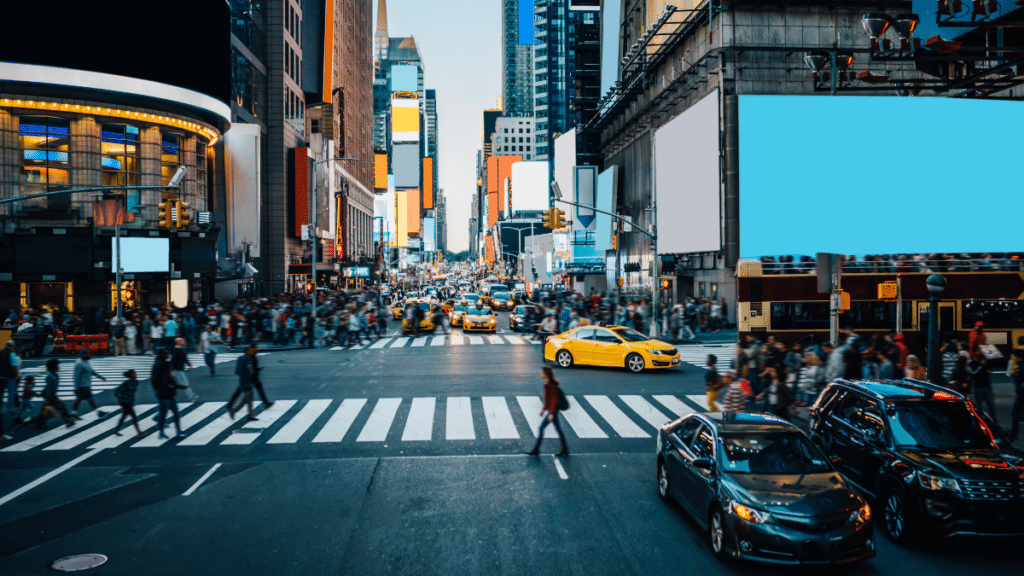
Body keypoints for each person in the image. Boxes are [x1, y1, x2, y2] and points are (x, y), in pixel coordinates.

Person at [526, 366, 569, 457]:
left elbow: (553, 400)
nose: (540, 373)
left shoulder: (551, 385)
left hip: (553, 410)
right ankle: (565, 449)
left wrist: (551, 414)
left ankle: (536, 450)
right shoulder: (548, 384)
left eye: (541, 372)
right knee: (558, 430)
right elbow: (548, 400)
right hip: (553, 410)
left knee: (541, 428)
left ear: (545, 374)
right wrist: (543, 410)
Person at [151, 350, 186, 439]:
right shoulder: (162, 370)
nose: (167, 354)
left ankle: (175, 431)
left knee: (172, 414)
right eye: (166, 353)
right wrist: (161, 391)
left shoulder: (165, 371)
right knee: (166, 414)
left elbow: (172, 384)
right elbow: (160, 383)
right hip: (165, 396)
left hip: (168, 396)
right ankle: (168, 431)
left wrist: (177, 388)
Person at [36, 358, 75, 428]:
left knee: (45, 409)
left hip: (50, 395)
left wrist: (42, 393)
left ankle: (40, 423)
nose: (59, 367)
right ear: (54, 367)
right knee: (61, 407)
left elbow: (47, 387)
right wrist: (47, 399)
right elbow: (48, 388)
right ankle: (68, 420)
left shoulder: (54, 375)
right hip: (51, 396)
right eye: (57, 366)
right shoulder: (51, 376)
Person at [71, 349, 106, 417]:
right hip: (83, 385)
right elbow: (76, 377)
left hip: (86, 384)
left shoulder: (86, 361)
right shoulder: (79, 363)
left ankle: (73, 414)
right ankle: (99, 413)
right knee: (90, 399)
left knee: (78, 399)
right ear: (83, 355)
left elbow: (91, 371)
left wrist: (100, 377)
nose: (89, 355)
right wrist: (76, 388)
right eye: (87, 354)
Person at [228, 345, 258, 421]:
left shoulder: (248, 359)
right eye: (250, 351)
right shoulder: (244, 360)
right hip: (245, 384)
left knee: (247, 400)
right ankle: (235, 411)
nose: (251, 352)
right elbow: (240, 373)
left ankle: (248, 414)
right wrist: (243, 384)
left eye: (252, 351)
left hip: (248, 382)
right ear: (245, 352)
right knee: (246, 400)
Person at [112, 369, 143, 437]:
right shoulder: (126, 383)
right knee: (133, 417)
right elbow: (117, 390)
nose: (135, 375)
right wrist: (119, 400)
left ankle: (116, 430)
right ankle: (139, 432)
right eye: (134, 374)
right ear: (130, 376)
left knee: (124, 417)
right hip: (124, 401)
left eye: (135, 373)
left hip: (130, 401)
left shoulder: (136, 382)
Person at [967, 353, 996, 423]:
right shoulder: (972, 363)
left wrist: (985, 366)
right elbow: (973, 374)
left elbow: (989, 371)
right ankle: (980, 421)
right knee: (979, 405)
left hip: (987, 385)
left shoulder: (985, 361)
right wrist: (981, 365)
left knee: (991, 403)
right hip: (978, 386)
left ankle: (993, 420)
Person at [170, 338, 199, 403]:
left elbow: (185, 358)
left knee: (182, 384)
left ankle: (192, 397)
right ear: (178, 342)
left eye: (183, 340)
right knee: (185, 383)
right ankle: (192, 397)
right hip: (177, 370)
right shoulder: (176, 350)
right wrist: (171, 370)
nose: (183, 341)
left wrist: (189, 364)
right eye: (182, 341)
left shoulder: (182, 349)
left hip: (180, 369)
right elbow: (172, 360)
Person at [1009, 349, 1024, 440]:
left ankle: (1014, 434)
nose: (1016, 360)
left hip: (1022, 393)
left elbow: (1018, 380)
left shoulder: (1021, 368)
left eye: (1016, 358)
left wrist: (1014, 376)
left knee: (1015, 413)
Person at [1, 340, 20, 414]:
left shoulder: (1, 352)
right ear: (12, 346)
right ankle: (10, 409)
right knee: (11, 393)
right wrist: (17, 375)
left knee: (1, 393)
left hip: (1, 376)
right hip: (10, 376)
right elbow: (14, 366)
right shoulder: (11, 353)